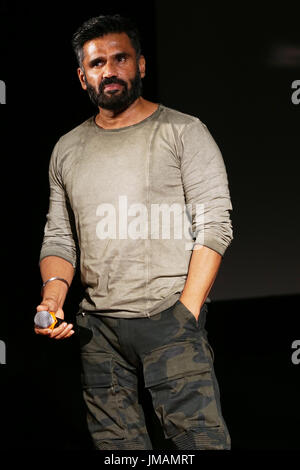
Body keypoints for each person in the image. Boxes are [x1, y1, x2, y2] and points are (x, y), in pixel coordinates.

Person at [34, 14, 233, 451]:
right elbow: (60, 238)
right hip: (97, 330)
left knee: (200, 445)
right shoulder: (67, 148)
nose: (109, 70)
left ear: (140, 65)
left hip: (169, 318)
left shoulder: (184, 131)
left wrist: (186, 313)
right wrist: (52, 298)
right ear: (82, 75)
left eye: (120, 58)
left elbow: (214, 225)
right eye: (97, 63)